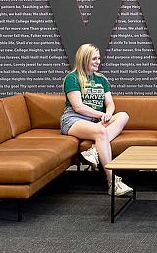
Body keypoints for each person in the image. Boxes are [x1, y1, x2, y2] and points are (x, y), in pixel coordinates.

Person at [60, 43, 133, 197]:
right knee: (101, 131)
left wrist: (108, 113)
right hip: (74, 119)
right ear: (84, 59)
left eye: (99, 58)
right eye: (94, 59)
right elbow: (78, 107)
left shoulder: (101, 80)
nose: (98, 62)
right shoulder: (72, 78)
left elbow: (110, 103)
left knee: (123, 115)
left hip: (95, 121)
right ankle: (113, 181)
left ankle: (94, 149)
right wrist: (101, 115)